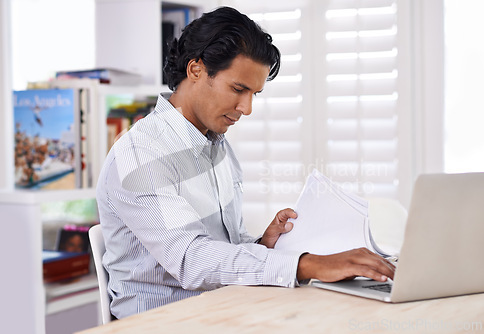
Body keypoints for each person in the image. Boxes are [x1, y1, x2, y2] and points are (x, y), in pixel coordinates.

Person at [96, 6, 395, 320]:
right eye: (238, 89)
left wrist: (262, 244)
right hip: (162, 323)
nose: (247, 108)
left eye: (254, 93)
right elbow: (190, 259)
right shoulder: (140, 153)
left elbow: (224, 246)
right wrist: (307, 264)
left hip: (225, 311)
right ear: (196, 70)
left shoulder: (217, 146)